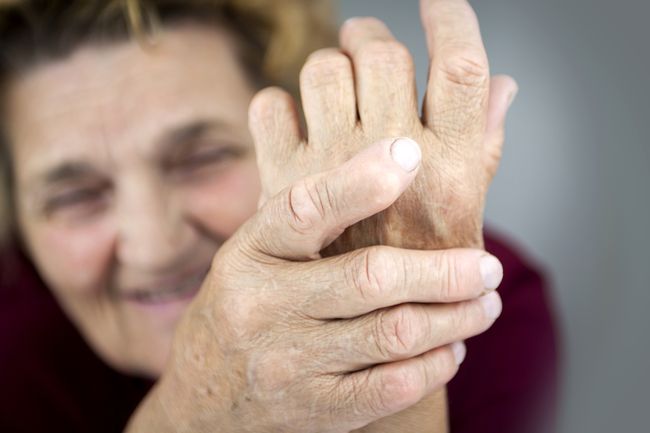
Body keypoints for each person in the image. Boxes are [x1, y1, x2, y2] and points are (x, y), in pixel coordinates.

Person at [0, 0, 558, 432]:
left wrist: (394, 332)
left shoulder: (481, 302)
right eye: (75, 196)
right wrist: (190, 415)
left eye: (202, 158)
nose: (155, 246)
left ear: (305, 138)